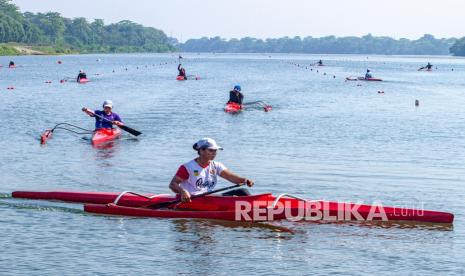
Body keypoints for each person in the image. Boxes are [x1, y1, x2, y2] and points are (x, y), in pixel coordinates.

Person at [169, 138, 254, 202]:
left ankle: (255, 207)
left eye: (215, 150)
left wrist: (245, 180)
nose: (214, 153)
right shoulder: (187, 167)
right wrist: (182, 191)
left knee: (243, 191)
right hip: (193, 199)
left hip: (209, 197)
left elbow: (231, 177)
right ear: (201, 150)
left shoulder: (216, 165)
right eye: (211, 150)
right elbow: (173, 184)